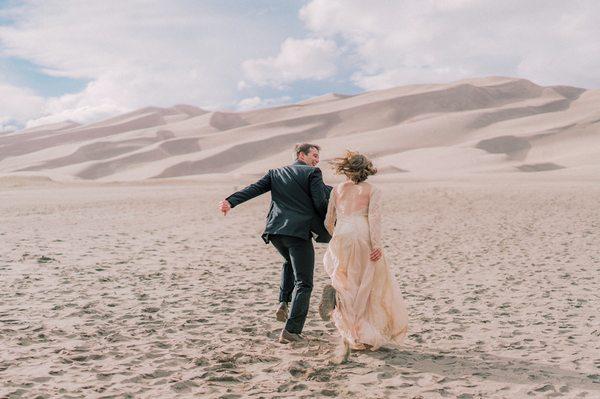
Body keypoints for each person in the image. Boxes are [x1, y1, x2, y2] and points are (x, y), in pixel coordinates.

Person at [218, 143, 332, 343]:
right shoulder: (313, 173)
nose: (317, 159)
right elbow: (320, 202)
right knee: (304, 283)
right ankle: (291, 331)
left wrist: (231, 201)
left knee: (290, 262)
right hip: (297, 233)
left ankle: (283, 301)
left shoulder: (276, 172)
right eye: (314, 155)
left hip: (276, 231)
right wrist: (331, 223)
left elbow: (254, 189)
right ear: (301, 155)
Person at [318, 151, 408, 363]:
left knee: (344, 280)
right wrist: (376, 245)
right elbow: (375, 218)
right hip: (362, 235)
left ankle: (342, 310)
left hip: (342, 235)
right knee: (364, 285)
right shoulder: (373, 190)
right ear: (366, 170)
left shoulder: (338, 189)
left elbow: (328, 220)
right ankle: (361, 334)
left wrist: (336, 236)